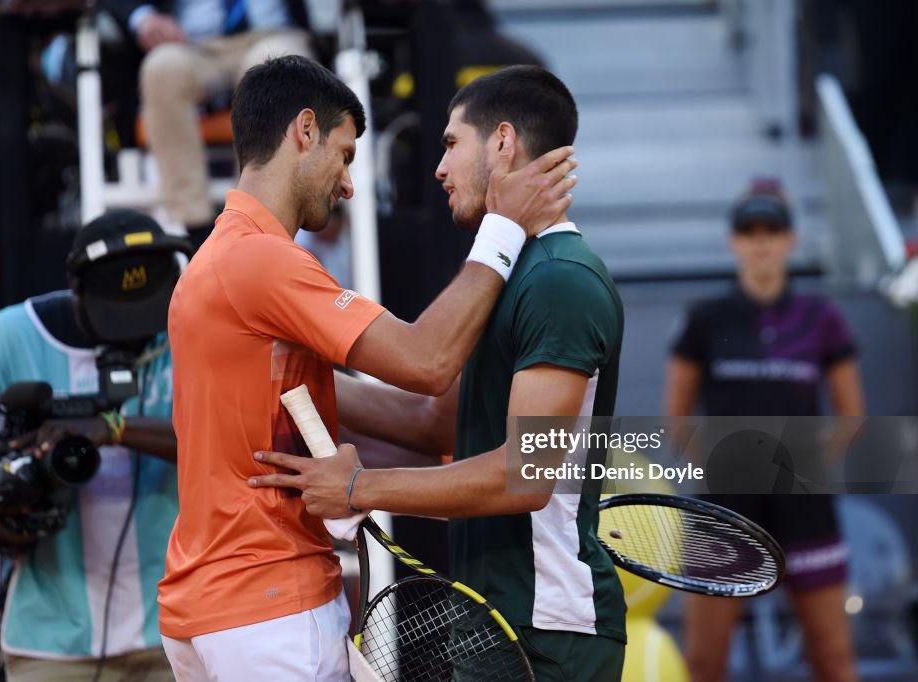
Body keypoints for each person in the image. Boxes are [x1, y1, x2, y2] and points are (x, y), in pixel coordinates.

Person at [157, 55, 575, 680]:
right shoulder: (262, 262)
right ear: (304, 131)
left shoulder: (214, 263)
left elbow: (423, 420)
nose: (349, 184)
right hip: (267, 609)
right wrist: (503, 229)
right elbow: (427, 361)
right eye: (346, 154)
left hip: (207, 609)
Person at [250, 65, 627, 682]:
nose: (439, 169)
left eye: (452, 144)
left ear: (503, 143)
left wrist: (359, 489)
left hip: (547, 630)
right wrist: (295, 377)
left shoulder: (562, 280)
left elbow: (525, 477)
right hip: (494, 617)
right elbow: (433, 424)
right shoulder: (517, 275)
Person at [0, 209, 190, 681]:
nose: (137, 332)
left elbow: (225, 436)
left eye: (145, 312)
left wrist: (113, 427)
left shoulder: (188, 330)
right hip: (49, 640)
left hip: (176, 631)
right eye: (119, 316)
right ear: (76, 290)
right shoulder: (13, 338)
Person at [664, 178, 864, 682]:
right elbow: (677, 414)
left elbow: (851, 412)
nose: (761, 242)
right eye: (749, 231)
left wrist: (808, 468)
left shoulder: (821, 318)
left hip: (804, 506)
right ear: (734, 241)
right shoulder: (707, 318)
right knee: (705, 662)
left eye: (771, 231)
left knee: (834, 660)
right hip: (725, 508)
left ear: (790, 240)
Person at [103, 0, 315, 248]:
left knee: (274, 74)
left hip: (275, 34)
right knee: (162, 68)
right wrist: (144, 17)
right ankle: (198, 236)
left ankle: (258, 232)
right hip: (193, 44)